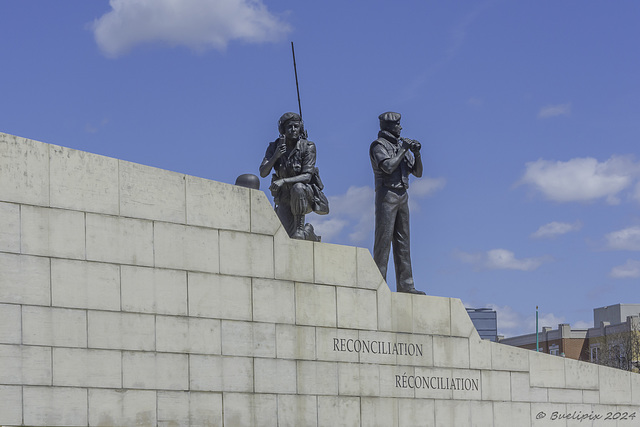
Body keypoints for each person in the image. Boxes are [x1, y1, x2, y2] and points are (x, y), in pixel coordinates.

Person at [369, 111, 426, 294]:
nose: (400, 127)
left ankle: (406, 285)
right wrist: (404, 150)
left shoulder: (400, 146)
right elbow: (387, 167)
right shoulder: (379, 145)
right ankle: (379, 283)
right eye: (397, 125)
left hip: (402, 195)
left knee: (403, 242)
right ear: (389, 127)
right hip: (387, 195)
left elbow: (417, 173)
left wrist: (416, 154)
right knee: (383, 241)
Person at [259, 112, 328, 240]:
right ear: (283, 130)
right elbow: (263, 173)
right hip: (284, 196)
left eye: (296, 126)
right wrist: (276, 156)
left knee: (298, 187)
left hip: (304, 195)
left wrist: (283, 180)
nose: (293, 130)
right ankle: (309, 232)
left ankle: (300, 229)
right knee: (285, 236)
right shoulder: (274, 146)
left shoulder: (308, 146)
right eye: (289, 127)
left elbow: (307, 176)